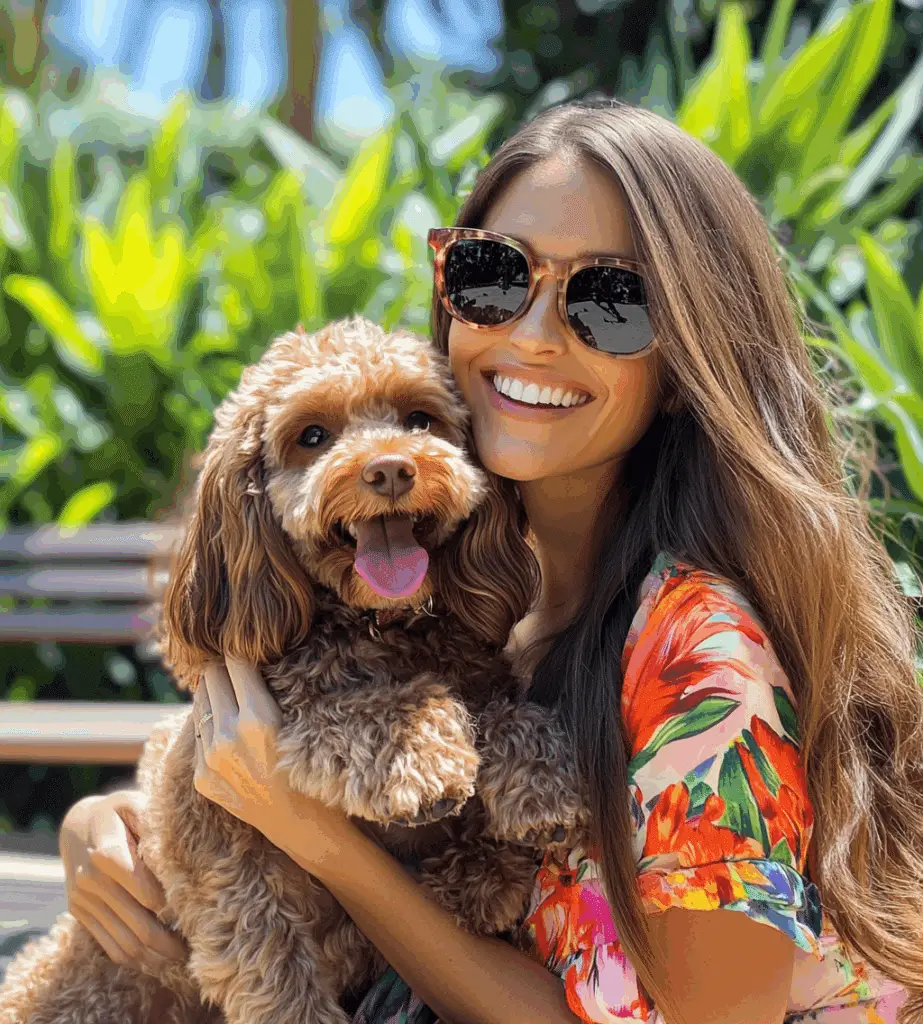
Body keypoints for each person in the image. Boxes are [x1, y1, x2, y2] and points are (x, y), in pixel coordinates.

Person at [57, 99, 923, 1024]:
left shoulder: (699, 650)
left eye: (611, 300)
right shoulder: (483, 584)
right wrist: (108, 826)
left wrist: (322, 843)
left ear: (686, 364)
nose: (535, 334)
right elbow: (277, 746)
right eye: (493, 274)